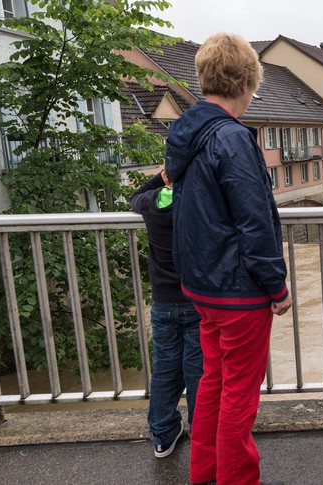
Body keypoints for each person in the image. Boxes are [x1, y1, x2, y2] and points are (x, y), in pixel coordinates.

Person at [164, 32, 293, 485]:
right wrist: (276, 287)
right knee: (239, 398)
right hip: (238, 291)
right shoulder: (233, 139)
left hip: (202, 288)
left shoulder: (186, 134)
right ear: (246, 83)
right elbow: (254, 222)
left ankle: (206, 476)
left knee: (213, 389)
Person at [130, 170, 203, 459]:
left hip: (162, 303)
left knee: (164, 368)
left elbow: (132, 196)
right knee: (199, 371)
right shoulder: (198, 205)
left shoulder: (151, 203)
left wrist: (163, 176)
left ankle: (161, 433)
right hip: (196, 301)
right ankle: (201, 431)